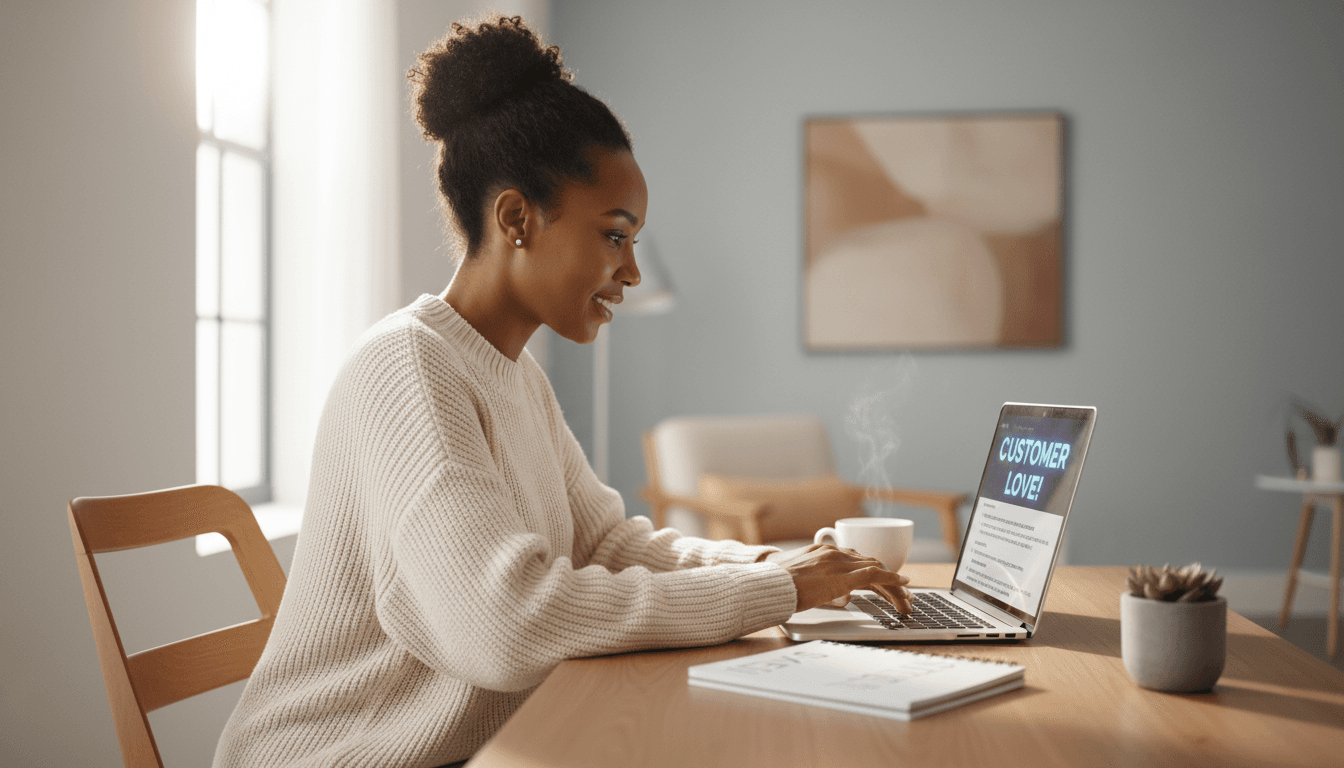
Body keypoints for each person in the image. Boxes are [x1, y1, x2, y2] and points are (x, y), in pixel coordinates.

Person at [213, 16, 912, 768]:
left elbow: (606, 545)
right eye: (615, 235)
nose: (633, 271)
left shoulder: (513, 374)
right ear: (517, 217)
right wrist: (777, 594)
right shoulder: (406, 371)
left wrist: (774, 570)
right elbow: (504, 625)